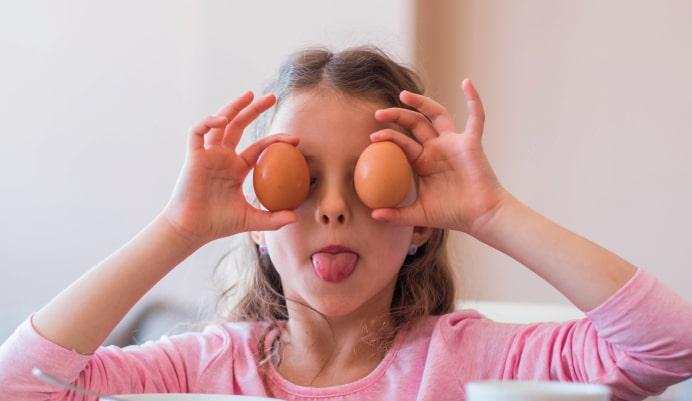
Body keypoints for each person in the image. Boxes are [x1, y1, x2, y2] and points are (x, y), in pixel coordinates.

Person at [1, 45, 690, 401]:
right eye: (299, 180)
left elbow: (671, 348)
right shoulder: (204, 368)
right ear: (256, 221)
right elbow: (19, 387)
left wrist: (491, 211)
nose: (333, 208)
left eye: (367, 176)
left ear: (421, 221)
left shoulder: (470, 363)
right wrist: (178, 228)